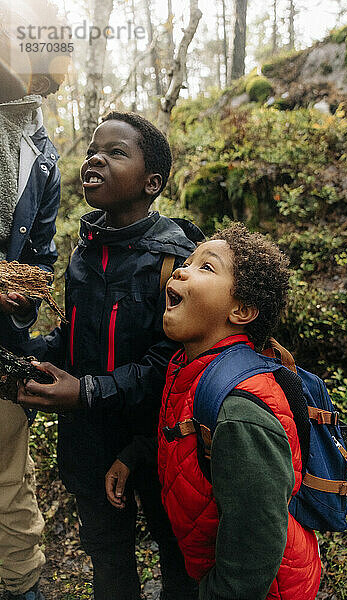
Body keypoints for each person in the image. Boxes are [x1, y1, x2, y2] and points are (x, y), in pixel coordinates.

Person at [16, 112, 201, 600]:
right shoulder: (82, 253)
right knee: (106, 552)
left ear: (151, 183)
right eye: (94, 149)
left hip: (158, 441)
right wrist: (28, 357)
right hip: (89, 443)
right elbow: (76, 335)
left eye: (117, 152)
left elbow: (173, 361)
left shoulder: (174, 260)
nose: (95, 156)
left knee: (177, 552)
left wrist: (86, 391)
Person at [155, 223, 322, 600]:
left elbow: (255, 545)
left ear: (242, 310)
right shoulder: (189, 365)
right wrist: (133, 455)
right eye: (187, 260)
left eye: (206, 267)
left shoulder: (239, 410)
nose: (181, 269)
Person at [0, 2, 67, 597]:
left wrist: (22, 293)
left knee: (10, 488)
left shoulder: (41, 153)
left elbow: (40, 252)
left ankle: (22, 587)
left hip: (1, 351)